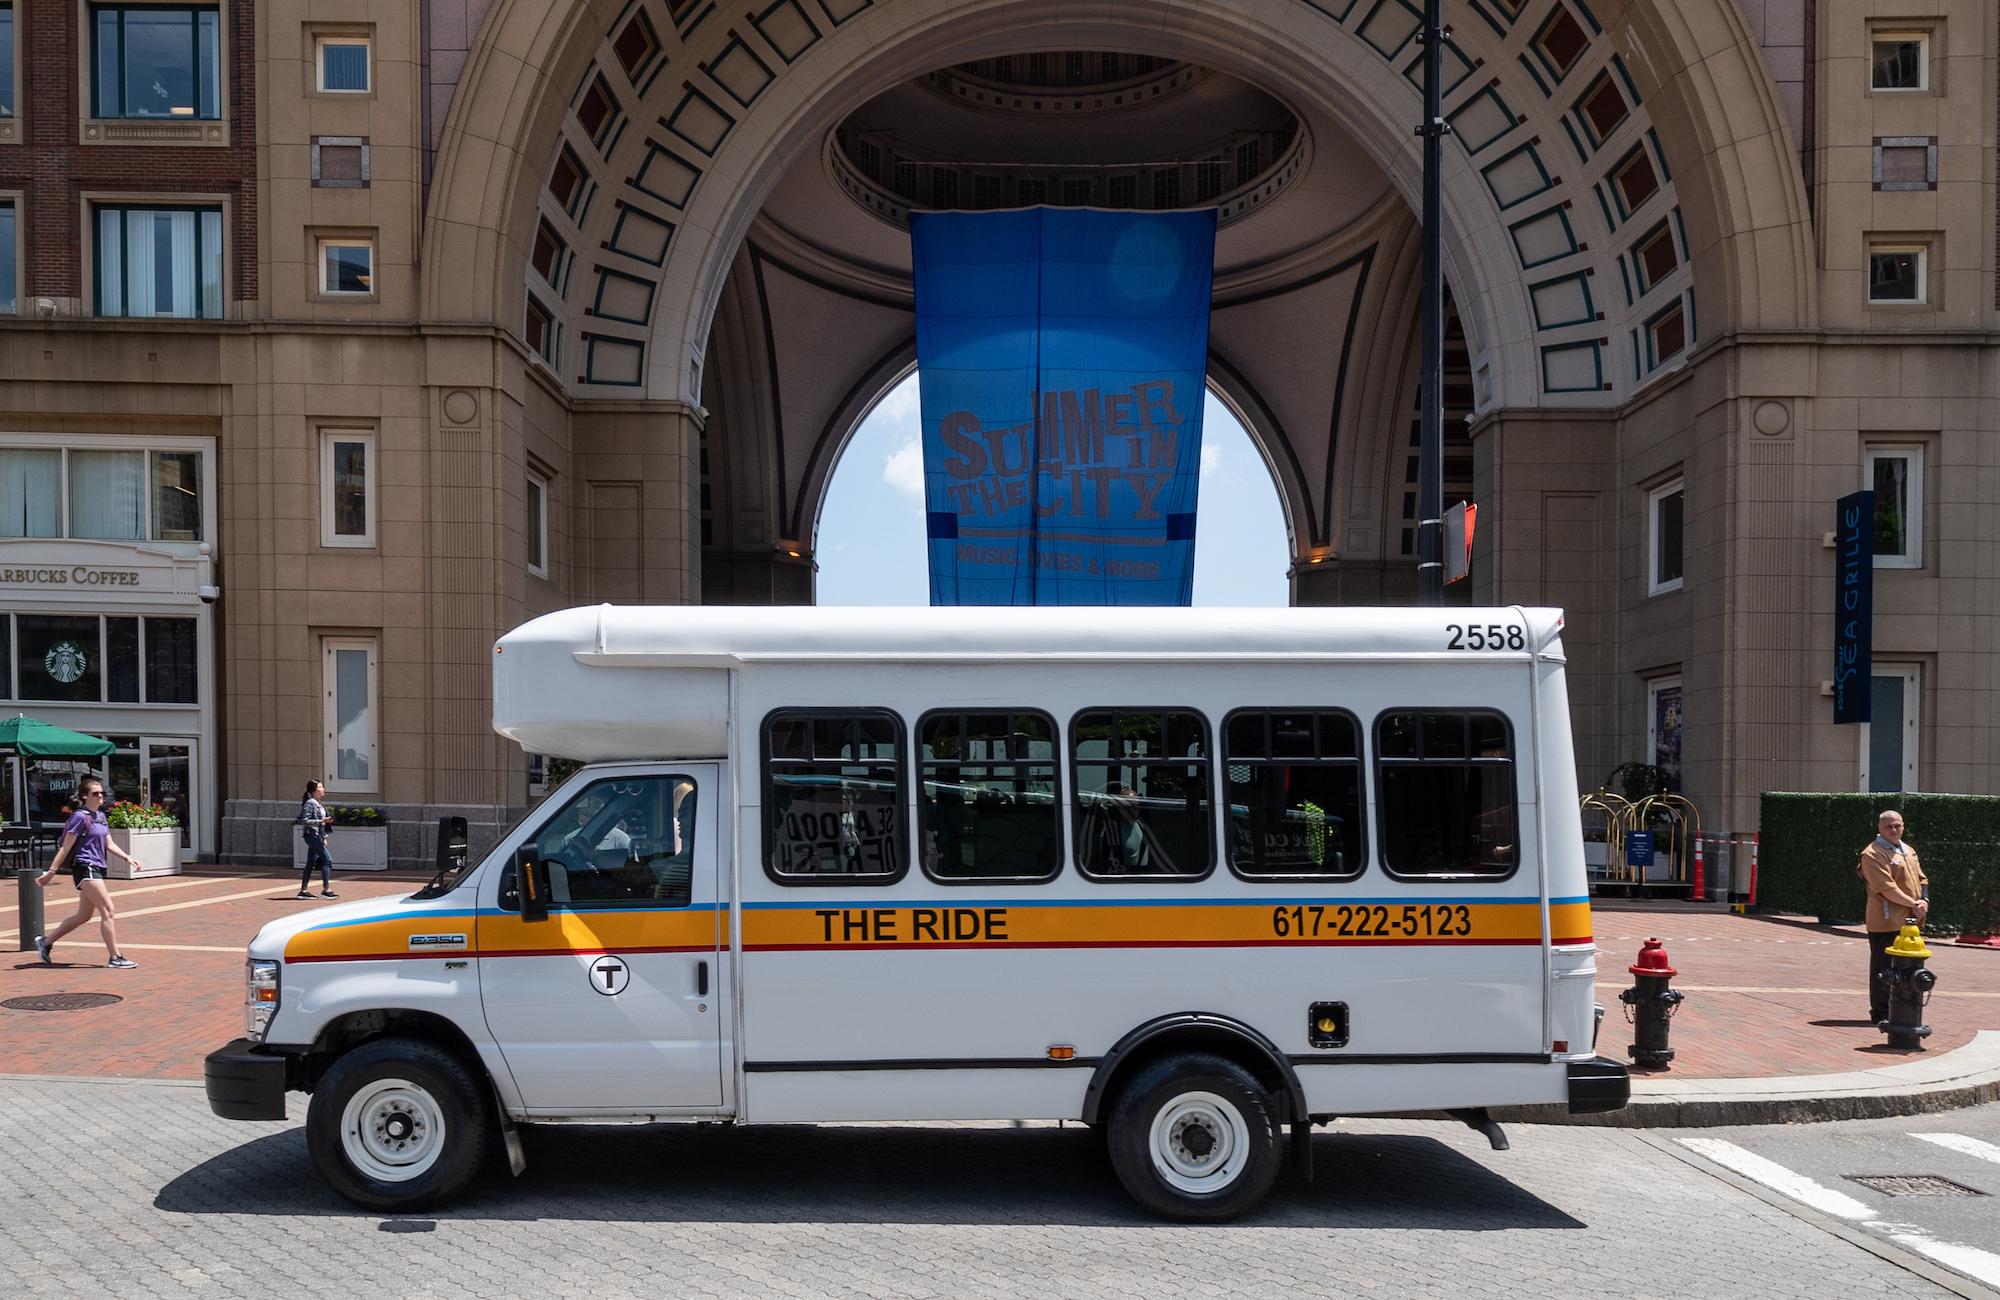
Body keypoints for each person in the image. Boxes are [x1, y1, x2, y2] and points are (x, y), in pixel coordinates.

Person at [33, 777, 141, 968]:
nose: (100, 796)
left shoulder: (100, 816)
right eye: (95, 793)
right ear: (84, 796)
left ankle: (46, 942)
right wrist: (51, 872)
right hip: (85, 866)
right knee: (108, 909)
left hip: (97, 866)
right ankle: (115, 957)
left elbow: (109, 843)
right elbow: (65, 848)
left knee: (83, 916)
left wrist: (127, 857)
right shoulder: (79, 817)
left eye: (102, 793)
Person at [1859, 808, 1928, 1024]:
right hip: (1885, 922)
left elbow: (1922, 879)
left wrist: (1924, 901)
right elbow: (1886, 889)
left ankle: (1901, 1009)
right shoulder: (1872, 854)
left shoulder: (1908, 850)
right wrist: (1914, 903)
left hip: (1911, 921)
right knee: (1883, 967)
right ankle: (1880, 1013)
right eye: (1888, 826)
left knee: (1908, 967)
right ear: (1879, 828)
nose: (1894, 829)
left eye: (1898, 825)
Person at [297, 780, 337, 900]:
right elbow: (305, 820)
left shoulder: (318, 803)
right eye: (320, 787)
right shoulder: (310, 803)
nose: (323, 789)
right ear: (314, 790)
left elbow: (321, 824)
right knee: (327, 860)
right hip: (312, 836)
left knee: (310, 863)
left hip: (316, 835)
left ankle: (303, 891)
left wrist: (324, 835)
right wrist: (322, 821)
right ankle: (326, 890)